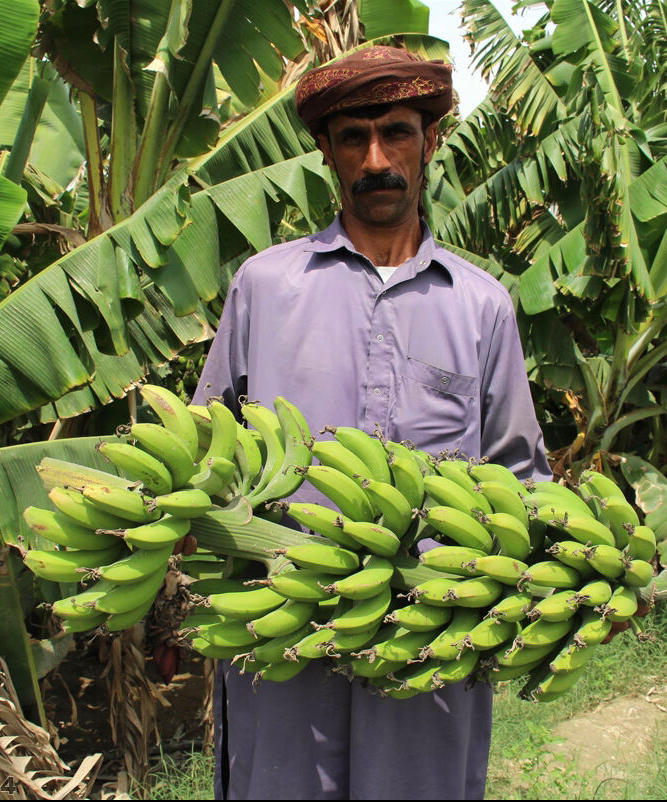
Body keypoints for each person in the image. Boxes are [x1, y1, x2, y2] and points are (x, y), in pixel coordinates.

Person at [191, 45, 551, 800]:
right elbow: (204, 449)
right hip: (284, 632)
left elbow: (519, 474)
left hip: (427, 640)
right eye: (354, 138)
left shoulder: (481, 305)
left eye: (397, 133)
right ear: (326, 152)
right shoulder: (264, 287)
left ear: (431, 143)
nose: (377, 158)